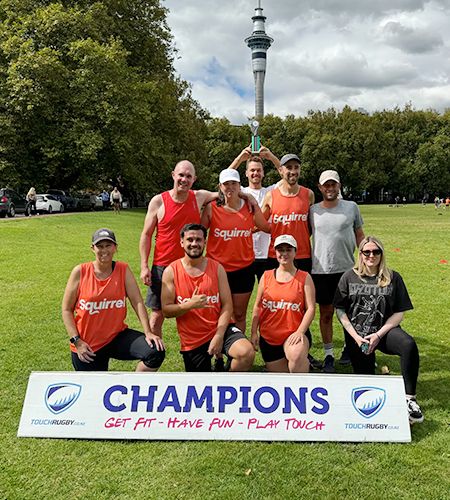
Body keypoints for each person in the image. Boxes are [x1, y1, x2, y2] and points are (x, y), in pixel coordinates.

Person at [333, 236, 424, 424]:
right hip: (358, 335)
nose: (371, 255)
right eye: (367, 252)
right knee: (367, 383)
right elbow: (340, 310)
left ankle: (410, 400)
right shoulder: (349, 277)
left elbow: (399, 312)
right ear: (360, 254)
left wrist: (378, 334)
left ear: (382, 254)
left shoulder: (393, 277)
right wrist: (356, 337)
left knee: (408, 345)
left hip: (384, 332)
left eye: (376, 251)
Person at [139, 160, 226, 339]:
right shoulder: (158, 201)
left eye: (188, 176)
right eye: (181, 175)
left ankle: (209, 350)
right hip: (162, 267)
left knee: (204, 310)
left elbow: (226, 188)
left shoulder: (199, 197)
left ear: (194, 179)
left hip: (191, 267)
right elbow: (146, 235)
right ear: (173, 175)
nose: (184, 179)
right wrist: (144, 266)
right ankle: (154, 355)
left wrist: (246, 195)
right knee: (157, 316)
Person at [62, 228, 165, 371]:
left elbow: (137, 302)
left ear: (115, 247)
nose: (104, 250)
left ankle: (133, 387)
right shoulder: (80, 271)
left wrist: (148, 332)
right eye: (100, 246)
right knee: (95, 391)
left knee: (155, 352)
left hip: (116, 337)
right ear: (93, 248)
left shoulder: (123, 269)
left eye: (108, 245)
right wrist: (77, 341)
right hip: (88, 345)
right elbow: (66, 309)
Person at [161, 223, 255, 372]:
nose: (194, 244)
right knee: (200, 383)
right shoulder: (171, 271)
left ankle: (226, 386)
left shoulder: (217, 268)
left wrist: (219, 335)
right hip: (192, 338)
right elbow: (166, 310)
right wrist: (189, 305)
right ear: (181, 242)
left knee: (246, 353)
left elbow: (227, 305)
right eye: (190, 240)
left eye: (198, 240)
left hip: (220, 329)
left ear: (205, 242)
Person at [201, 168, 270, 333]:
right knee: (217, 312)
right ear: (220, 186)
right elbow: (200, 234)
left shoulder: (249, 206)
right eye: (226, 184)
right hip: (217, 270)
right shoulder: (211, 208)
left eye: (234, 183)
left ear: (240, 186)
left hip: (243, 269)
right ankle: (217, 354)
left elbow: (265, 227)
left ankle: (235, 355)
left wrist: (254, 202)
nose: (230, 187)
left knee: (239, 314)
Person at [309, 170, 365, 373]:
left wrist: (366, 259)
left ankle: (351, 348)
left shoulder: (351, 207)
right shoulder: (313, 210)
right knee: (326, 314)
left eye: (333, 184)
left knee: (350, 313)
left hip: (348, 270)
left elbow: (360, 235)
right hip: (321, 270)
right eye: (326, 185)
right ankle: (328, 354)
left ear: (339, 185)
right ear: (320, 187)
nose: (330, 188)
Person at [251, 235, 315, 373]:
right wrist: (253, 332)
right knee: (281, 379)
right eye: (280, 250)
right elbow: (257, 306)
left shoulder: (304, 277)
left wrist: (300, 332)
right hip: (269, 337)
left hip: (293, 333)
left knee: (296, 356)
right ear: (275, 252)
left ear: (295, 252)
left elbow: (311, 308)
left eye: (288, 250)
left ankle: (303, 375)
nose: (284, 254)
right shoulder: (266, 275)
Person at [229, 145, 281, 281]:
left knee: (270, 296)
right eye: (252, 170)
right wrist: (239, 158)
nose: (255, 173)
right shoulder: (241, 192)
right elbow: (225, 179)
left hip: (268, 254)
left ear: (263, 173)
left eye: (258, 170)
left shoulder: (271, 191)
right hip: (245, 254)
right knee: (243, 296)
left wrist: (272, 157)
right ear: (246, 173)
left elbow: (287, 175)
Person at [261, 153, 315, 272]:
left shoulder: (309, 195)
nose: (293, 171)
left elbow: (311, 225)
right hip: (277, 254)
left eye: (296, 167)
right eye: (289, 167)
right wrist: (275, 227)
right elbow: (259, 222)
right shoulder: (271, 196)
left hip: (302, 254)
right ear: (281, 171)